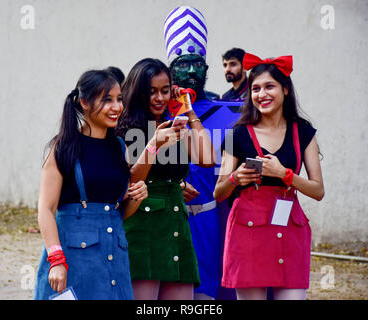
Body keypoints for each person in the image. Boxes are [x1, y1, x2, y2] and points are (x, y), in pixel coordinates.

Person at [214, 52, 325, 300]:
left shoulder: (303, 131)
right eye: (255, 88)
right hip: (248, 232)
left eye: (269, 86)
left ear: (286, 89)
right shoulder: (238, 134)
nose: (261, 94)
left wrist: (284, 174)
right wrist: (235, 179)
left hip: (290, 230)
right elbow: (218, 193)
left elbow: (318, 191)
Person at [34, 69, 148, 300]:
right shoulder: (63, 147)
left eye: (119, 99)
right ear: (84, 102)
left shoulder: (118, 146)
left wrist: (137, 197)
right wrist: (56, 260)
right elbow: (45, 209)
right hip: (73, 261)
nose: (116, 107)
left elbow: (121, 212)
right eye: (107, 100)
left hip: (114, 258)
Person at [116, 58, 215, 300]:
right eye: (152, 92)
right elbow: (131, 181)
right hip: (142, 226)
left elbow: (208, 158)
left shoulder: (174, 124)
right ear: (138, 92)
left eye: (164, 90)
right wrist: (154, 144)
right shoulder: (124, 128)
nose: (160, 98)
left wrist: (188, 110)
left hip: (175, 226)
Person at [163, 6, 243, 300]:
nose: (192, 71)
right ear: (172, 68)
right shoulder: (154, 111)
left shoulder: (230, 113)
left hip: (212, 218)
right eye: (184, 64)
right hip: (165, 216)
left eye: (198, 64)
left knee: (209, 288)